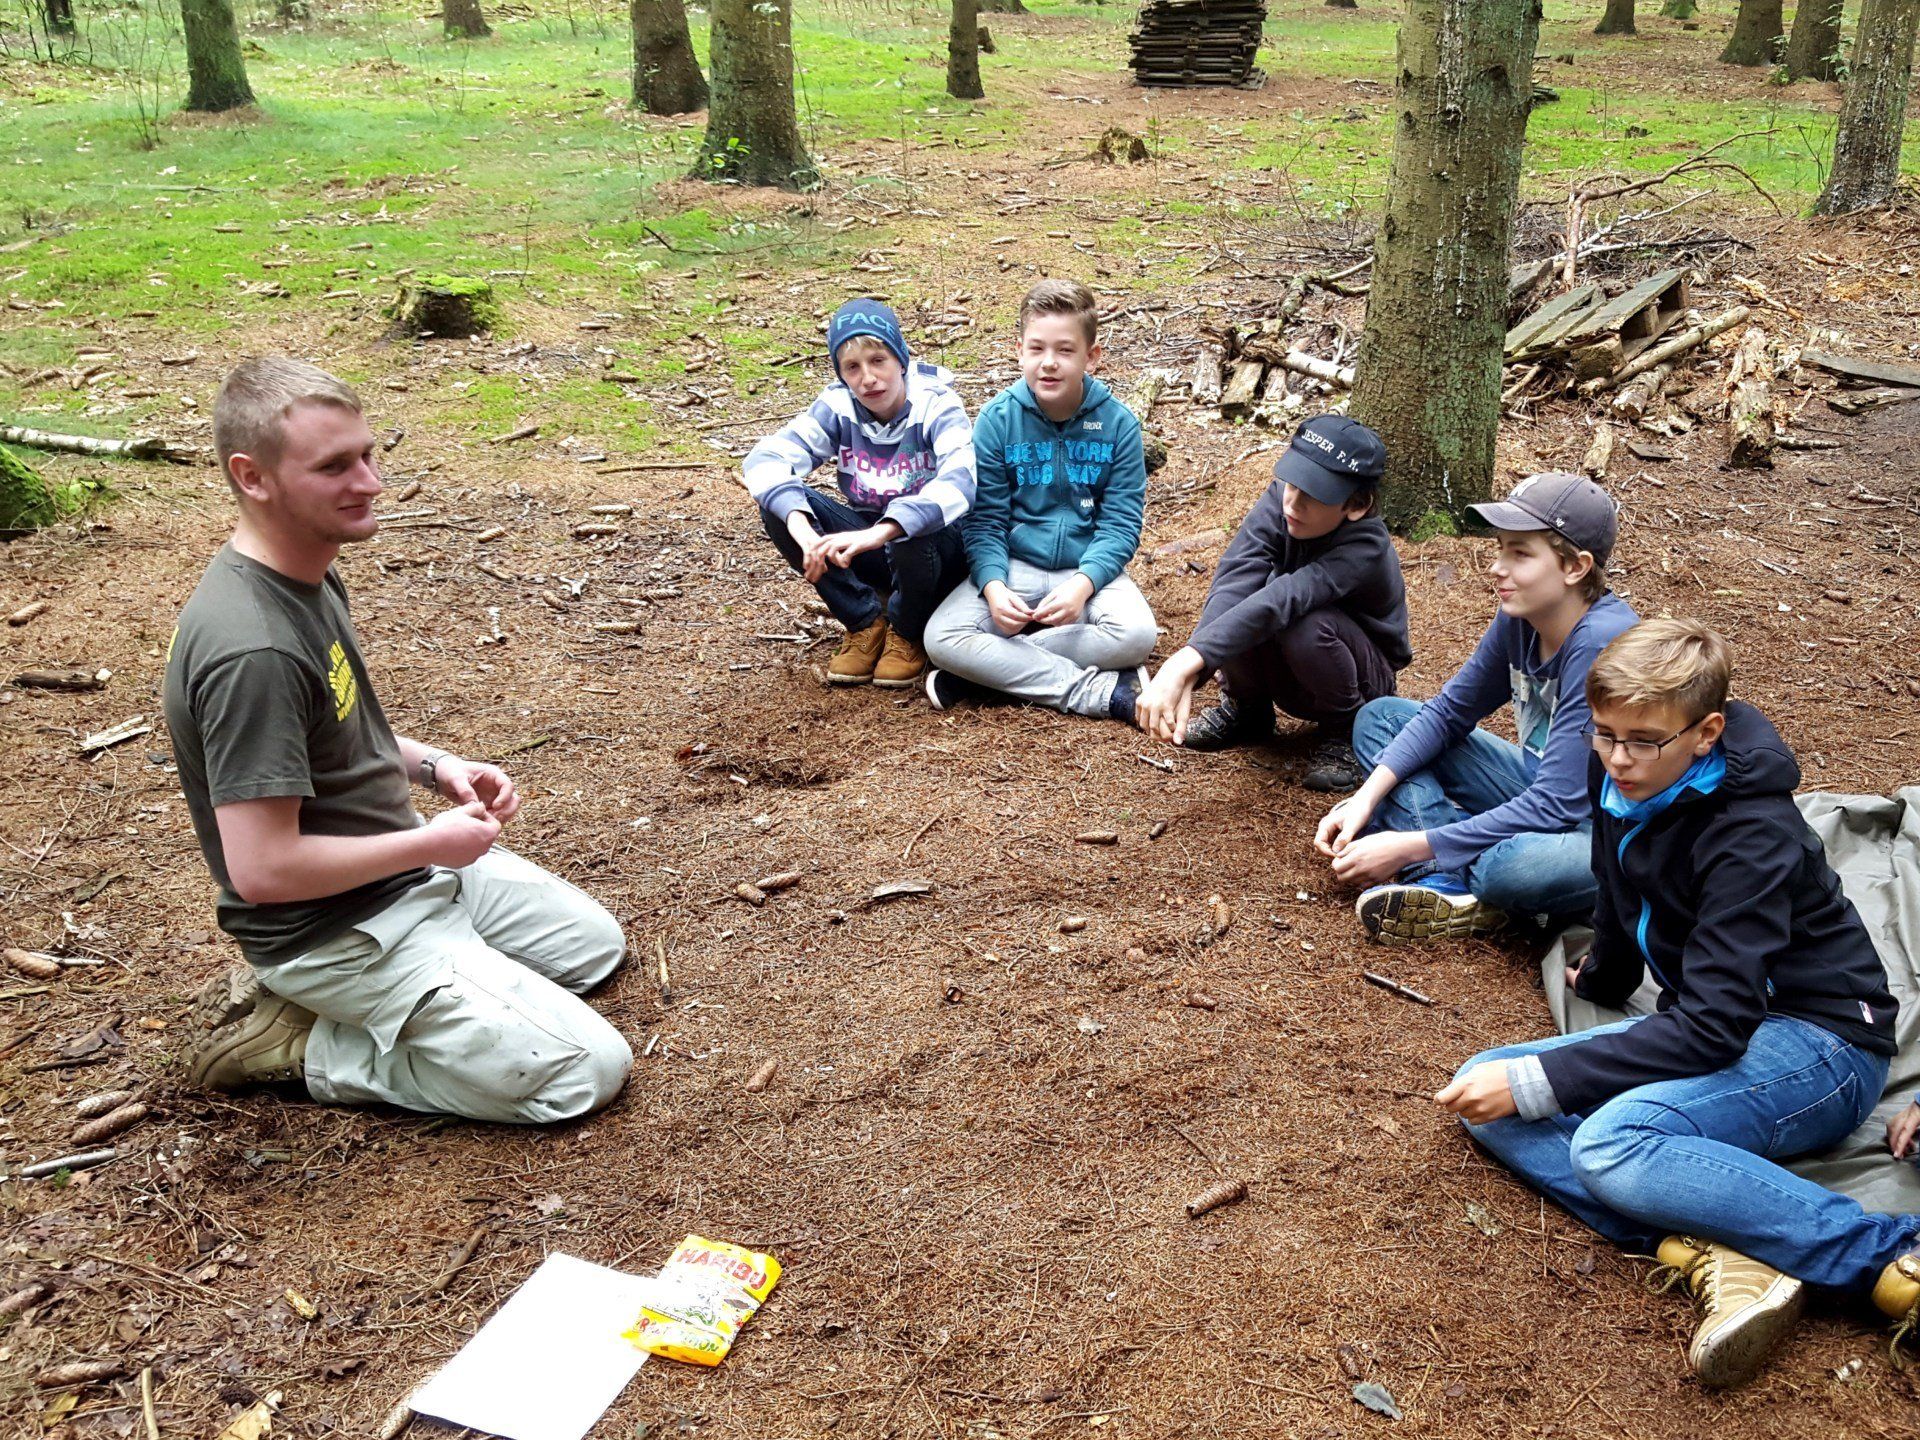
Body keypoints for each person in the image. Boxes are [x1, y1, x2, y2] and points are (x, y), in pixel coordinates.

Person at [1437, 619, 1917, 1387]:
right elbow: (1619, 891)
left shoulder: (1751, 834)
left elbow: (1715, 1029)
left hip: (1822, 1047)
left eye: (1643, 741)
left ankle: (1883, 1253)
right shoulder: (1623, 780)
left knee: (1608, 1141)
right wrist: (1601, 977)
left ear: (1707, 733)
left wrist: (1548, 1081)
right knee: (1483, 1083)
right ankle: (1715, 1248)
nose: (1619, 759)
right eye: (1604, 735)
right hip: (1723, 1023)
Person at [166, 358, 633, 1124]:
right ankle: (310, 1044)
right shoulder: (252, 649)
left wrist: (438, 766)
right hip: (332, 928)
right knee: (586, 1072)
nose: (371, 483)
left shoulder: (307, 573)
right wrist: (428, 846)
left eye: (368, 455)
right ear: (252, 477)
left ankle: (454, 991)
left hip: (404, 869)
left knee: (592, 950)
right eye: (334, 467)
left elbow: (339, 732)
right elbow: (262, 869)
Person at [1315, 471, 1637, 943]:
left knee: (1507, 870)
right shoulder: (1524, 617)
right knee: (1382, 718)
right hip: (1543, 788)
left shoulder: (1601, 643)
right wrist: (1366, 799)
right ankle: (1445, 878)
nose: (1497, 568)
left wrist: (1405, 846)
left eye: (1520, 553)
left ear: (1576, 567)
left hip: (1607, 829)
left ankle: (1450, 871)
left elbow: (1557, 805)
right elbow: (1448, 714)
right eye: (1500, 548)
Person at [1136, 414, 1409, 791]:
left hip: (1361, 676)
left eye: (1314, 494)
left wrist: (1185, 661)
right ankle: (1248, 711)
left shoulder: (1366, 546)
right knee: (1243, 601)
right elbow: (1236, 577)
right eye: (1292, 484)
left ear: (1357, 504)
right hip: (1293, 666)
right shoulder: (1281, 500)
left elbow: (1288, 597)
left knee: (1301, 620)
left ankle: (1349, 730)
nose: (1293, 503)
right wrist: (1191, 665)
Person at [922, 278, 1155, 721]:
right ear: (1019, 350)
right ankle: (1102, 693)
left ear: (1092, 356)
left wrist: (1083, 584)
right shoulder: (996, 420)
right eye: (1036, 349)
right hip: (1016, 566)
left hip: (1089, 571)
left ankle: (982, 675)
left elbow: (1121, 525)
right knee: (942, 638)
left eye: (1065, 351)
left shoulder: (1119, 424)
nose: (1049, 364)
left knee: (1137, 634)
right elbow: (985, 521)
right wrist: (992, 586)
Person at [744, 298, 975, 689]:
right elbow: (765, 459)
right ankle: (866, 622)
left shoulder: (937, 404)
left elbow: (962, 480)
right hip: (869, 545)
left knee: (910, 528)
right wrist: (803, 531)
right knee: (781, 505)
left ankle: (907, 630)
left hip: (936, 551)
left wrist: (884, 529)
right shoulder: (839, 406)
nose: (868, 378)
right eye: (852, 367)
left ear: (900, 360)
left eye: (878, 360)